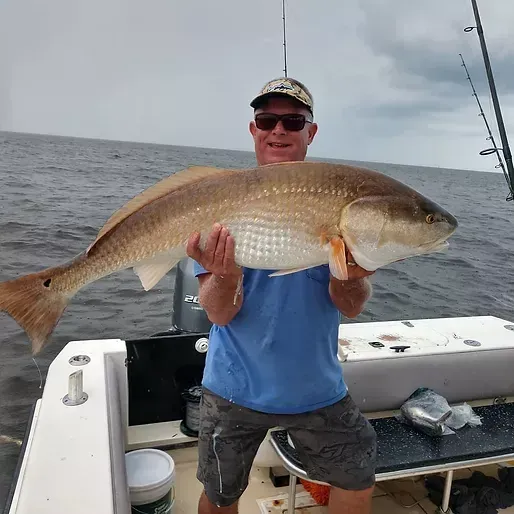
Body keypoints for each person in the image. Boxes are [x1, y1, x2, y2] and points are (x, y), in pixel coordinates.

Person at [186, 77, 377, 514]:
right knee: (219, 495)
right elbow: (218, 312)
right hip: (233, 387)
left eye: (292, 122)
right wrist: (225, 274)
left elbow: (351, 305)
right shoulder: (214, 203)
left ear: (311, 133)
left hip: (317, 390)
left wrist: (349, 275)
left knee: (359, 478)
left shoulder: (338, 199)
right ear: (253, 129)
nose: (278, 131)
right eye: (267, 120)